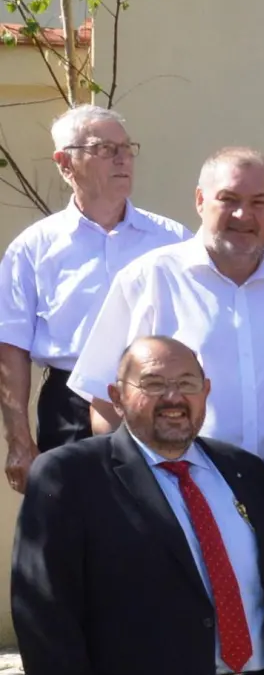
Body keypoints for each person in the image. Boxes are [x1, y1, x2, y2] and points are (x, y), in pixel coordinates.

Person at [13, 336, 264, 675]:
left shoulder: (245, 472)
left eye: (187, 383)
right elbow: (46, 617)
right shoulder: (71, 476)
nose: (174, 398)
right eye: (154, 384)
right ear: (117, 397)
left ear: (207, 392)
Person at [68, 147, 264, 475]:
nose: (243, 215)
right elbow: (105, 401)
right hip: (180, 487)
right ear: (200, 201)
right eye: (228, 199)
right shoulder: (148, 280)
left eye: (259, 202)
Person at [0, 105, 187, 490]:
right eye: (105, 149)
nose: (123, 159)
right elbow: (10, 347)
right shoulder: (34, 248)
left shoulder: (173, 241)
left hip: (157, 397)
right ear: (65, 164)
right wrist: (18, 440)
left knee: (156, 524)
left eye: (127, 148)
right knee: (71, 529)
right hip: (68, 404)